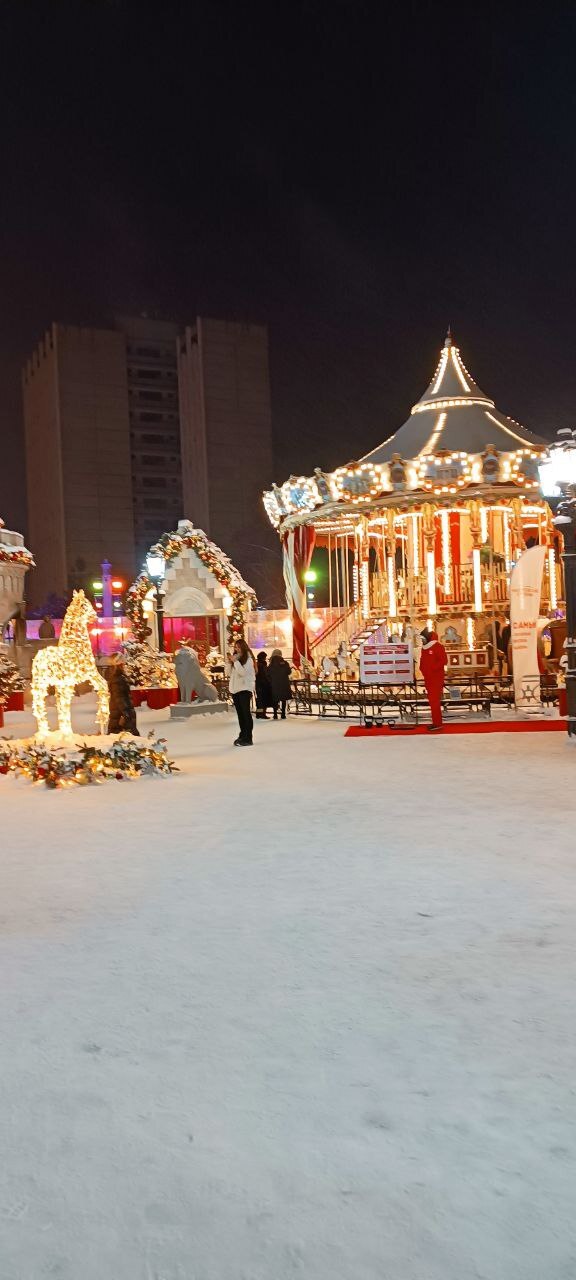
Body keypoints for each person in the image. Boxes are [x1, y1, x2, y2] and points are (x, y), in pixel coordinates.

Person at [419, 628, 447, 732]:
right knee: (432, 702)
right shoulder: (424, 648)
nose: (422, 641)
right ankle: (436, 722)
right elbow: (422, 661)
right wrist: (422, 669)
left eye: (423, 639)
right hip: (428, 679)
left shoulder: (438, 646)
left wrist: (431, 669)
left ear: (427, 638)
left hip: (436, 679)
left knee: (434, 702)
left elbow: (443, 660)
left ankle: (437, 723)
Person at [229, 638, 255, 746]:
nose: (237, 649)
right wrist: (229, 663)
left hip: (244, 689)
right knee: (240, 714)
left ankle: (248, 738)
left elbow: (242, 673)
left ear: (243, 647)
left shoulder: (248, 659)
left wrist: (236, 662)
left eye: (239, 647)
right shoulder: (236, 659)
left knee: (246, 714)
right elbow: (230, 673)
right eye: (235, 647)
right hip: (236, 690)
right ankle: (242, 735)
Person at [106, 655, 139, 735]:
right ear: (119, 665)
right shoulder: (118, 679)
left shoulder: (119, 677)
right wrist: (126, 714)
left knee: (121, 737)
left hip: (120, 713)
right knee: (125, 737)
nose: (124, 665)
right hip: (121, 714)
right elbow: (120, 698)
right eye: (123, 664)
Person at [268, 648, 292, 719]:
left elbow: (268, 673)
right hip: (284, 683)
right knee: (283, 699)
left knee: (275, 699)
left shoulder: (271, 664)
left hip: (274, 684)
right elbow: (289, 672)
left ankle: (275, 714)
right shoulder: (285, 663)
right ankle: (283, 714)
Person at [255, 651, 272, 719]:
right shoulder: (262, 665)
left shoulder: (256, 664)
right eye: (265, 657)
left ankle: (258, 714)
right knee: (263, 700)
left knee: (259, 700)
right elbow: (265, 675)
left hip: (258, 684)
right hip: (263, 685)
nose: (265, 658)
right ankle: (262, 714)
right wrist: (268, 682)